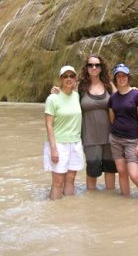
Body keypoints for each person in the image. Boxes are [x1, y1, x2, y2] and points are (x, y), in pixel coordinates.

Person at [108, 63, 138, 197]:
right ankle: (125, 200)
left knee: (134, 174)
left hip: (132, 141)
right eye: (118, 76)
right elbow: (112, 119)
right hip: (115, 139)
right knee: (121, 171)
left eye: (124, 75)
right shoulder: (112, 98)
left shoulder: (136, 95)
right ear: (115, 79)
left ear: (128, 77)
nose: (121, 78)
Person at [44, 66, 84, 200]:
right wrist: (53, 149)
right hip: (59, 144)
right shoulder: (52, 98)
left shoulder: (77, 95)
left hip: (75, 142)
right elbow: (49, 125)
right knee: (58, 182)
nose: (68, 79)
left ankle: (68, 213)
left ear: (75, 79)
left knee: (70, 180)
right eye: (65, 76)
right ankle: (53, 214)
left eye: (71, 76)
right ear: (60, 79)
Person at [78, 54, 117, 190]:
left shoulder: (109, 86)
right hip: (90, 138)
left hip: (109, 137)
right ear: (86, 68)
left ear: (101, 68)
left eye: (97, 65)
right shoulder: (80, 87)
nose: (94, 67)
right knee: (92, 171)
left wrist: (134, 91)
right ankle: (92, 204)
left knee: (110, 170)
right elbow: (66, 96)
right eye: (90, 65)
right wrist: (56, 91)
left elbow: (121, 100)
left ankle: (110, 202)